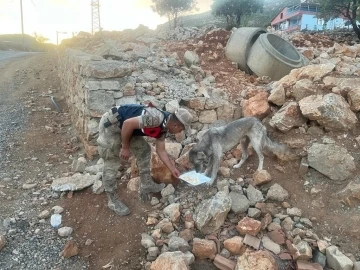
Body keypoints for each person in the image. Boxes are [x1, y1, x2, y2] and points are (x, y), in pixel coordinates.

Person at [97, 103, 192, 216]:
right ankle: (112, 200)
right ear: (176, 125)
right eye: (181, 129)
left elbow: (161, 150)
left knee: (144, 151)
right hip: (113, 125)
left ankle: (146, 184)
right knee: (111, 161)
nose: (180, 132)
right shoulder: (156, 119)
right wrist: (125, 147)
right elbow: (128, 124)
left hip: (128, 128)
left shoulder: (164, 126)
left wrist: (172, 169)